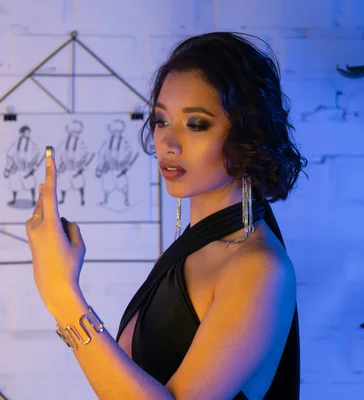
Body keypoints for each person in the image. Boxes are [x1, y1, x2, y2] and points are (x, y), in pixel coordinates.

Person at [26, 32, 307, 400]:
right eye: (161, 120)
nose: (168, 144)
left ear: (245, 135)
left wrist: (61, 294)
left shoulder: (258, 269)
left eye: (196, 124)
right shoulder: (187, 250)